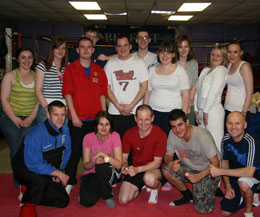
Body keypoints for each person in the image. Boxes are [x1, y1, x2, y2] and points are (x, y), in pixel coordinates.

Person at [62, 37, 108, 194]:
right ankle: (70, 181)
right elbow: (68, 94)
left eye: (89, 47)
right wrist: (73, 116)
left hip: (94, 120)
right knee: (74, 152)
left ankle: (96, 179)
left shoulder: (99, 71)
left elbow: (103, 94)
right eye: (82, 47)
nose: (86, 50)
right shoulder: (70, 69)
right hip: (77, 119)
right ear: (77, 50)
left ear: (93, 50)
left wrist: (103, 118)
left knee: (95, 152)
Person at [12, 100, 71, 217]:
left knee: (63, 201)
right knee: (40, 182)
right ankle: (27, 204)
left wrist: (59, 171)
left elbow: (66, 153)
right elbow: (32, 164)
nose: (60, 119)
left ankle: (29, 191)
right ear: (48, 115)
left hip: (45, 166)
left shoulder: (65, 130)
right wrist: (57, 173)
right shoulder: (35, 134)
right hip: (25, 167)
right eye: (55, 114)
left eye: (62, 114)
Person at [162, 109, 220, 213]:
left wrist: (200, 176)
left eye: (180, 125)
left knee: (203, 209)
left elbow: (216, 163)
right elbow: (167, 155)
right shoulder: (172, 134)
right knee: (166, 170)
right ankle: (187, 195)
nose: (177, 130)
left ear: (187, 122)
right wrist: (170, 163)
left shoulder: (202, 136)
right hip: (190, 168)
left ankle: (212, 186)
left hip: (208, 170)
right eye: (174, 126)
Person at [0, 47, 39, 186]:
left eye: (30, 57)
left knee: (26, 147)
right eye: (23, 57)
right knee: (16, 147)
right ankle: (19, 181)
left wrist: (30, 118)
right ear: (18, 59)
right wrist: (15, 118)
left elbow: (38, 100)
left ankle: (27, 177)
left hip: (30, 118)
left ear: (33, 60)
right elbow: (4, 99)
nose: (26, 60)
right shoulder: (10, 76)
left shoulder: (37, 76)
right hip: (10, 117)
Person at [209, 111, 260, 217]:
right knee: (226, 212)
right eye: (230, 123)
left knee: (243, 183)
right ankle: (248, 195)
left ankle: (248, 212)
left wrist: (220, 171)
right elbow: (225, 162)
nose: (233, 127)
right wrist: (227, 186)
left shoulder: (251, 140)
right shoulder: (226, 139)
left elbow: (250, 172)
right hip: (238, 173)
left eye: (237, 123)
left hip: (256, 173)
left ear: (245, 125)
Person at [118, 105, 167, 205]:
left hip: (153, 170)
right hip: (136, 169)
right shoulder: (129, 134)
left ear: (152, 118)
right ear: (135, 118)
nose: (143, 123)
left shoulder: (160, 134)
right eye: (140, 119)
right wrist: (125, 167)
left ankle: (154, 187)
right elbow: (124, 159)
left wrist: (138, 169)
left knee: (149, 178)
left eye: (146, 119)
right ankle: (141, 185)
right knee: (123, 200)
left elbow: (157, 163)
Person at [104, 34, 148, 138]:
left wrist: (131, 106)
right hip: (115, 111)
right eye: (119, 46)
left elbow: (144, 87)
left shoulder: (139, 63)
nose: (122, 49)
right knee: (116, 145)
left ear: (130, 47)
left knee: (133, 145)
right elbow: (107, 88)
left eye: (125, 45)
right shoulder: (110, 64)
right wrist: (118, 106)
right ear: (116, 48)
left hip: (134, 112)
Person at [144, 40, 190, 135]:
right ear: (158, 54)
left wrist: (183, 117)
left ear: (173, 54)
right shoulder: (151, 70)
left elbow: (186, 94)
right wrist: (145, 111)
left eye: (168, 53)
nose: (165, 56)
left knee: (171, 143)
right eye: (162, 52)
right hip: (154, 113)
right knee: (155, 140)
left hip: (173, 115)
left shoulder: (180, 70)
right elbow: (147, 92)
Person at [79, 110, 122, 208]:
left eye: (107, 124)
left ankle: (107, 195)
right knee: (86, 201)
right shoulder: (87, 138)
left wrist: (104, 156)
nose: (104, 128)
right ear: (96, 125)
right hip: (92, 171)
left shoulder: (115, 136)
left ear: (110, 126)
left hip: (109, 170)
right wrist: (93, 160)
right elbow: (86, 165)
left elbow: (119, 165)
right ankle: (98, 189)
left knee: (101, 167)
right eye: (101, 124)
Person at [194, 44, 228, 151]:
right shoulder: (205, 70)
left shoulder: (221, 70)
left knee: (214, 142)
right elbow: (197, 91)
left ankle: (218, 166)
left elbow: (213, 93)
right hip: (201, 111)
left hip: (212, 111)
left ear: (223, 58)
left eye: (218, 55)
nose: (215, 57)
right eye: (213, 55)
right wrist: (196, 109)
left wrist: (206, 111)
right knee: (202, 142)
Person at [35, 35, 68, 123]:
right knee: (46, 136)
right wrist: (48, 108)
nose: (60, 51)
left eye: (63, 48)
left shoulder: (68, 67)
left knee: (61, 136)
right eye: (57, 48)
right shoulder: (43, 66)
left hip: (64, 111)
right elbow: (38, 90)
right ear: (52, 49)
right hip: (47, 111)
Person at [224, 41, 254, 132]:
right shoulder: (229, 65)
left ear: (241, 53)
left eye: (235, 52)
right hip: (228, 108)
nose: (232, 55)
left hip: (240, 110)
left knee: (239, 140)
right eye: (229, 52)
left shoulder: (244, 66)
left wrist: (243, 113)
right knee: (229, 138)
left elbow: (250, 93)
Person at [174, 35, 198, 125]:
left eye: (186, 47)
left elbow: (194, 83)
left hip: (189, 102)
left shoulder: (193, 63)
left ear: (189, 48)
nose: (183, 50)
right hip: (176, 101)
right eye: (180, 47)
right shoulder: (173, 64)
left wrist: (189, 102)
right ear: (177, 49)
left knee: (189, 127)